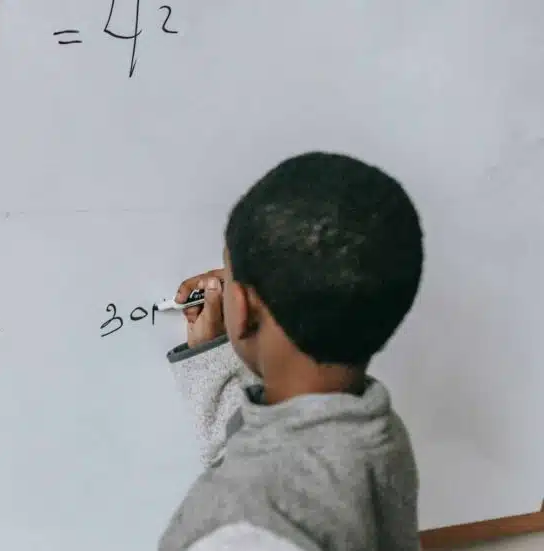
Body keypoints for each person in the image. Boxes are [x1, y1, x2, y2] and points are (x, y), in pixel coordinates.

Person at [159, 151, 424, 551]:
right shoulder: (378, 431)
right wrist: (213, 354)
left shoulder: (241, 527)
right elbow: (265, 453)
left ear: (242, 308)